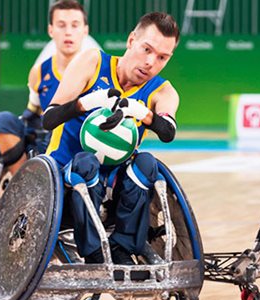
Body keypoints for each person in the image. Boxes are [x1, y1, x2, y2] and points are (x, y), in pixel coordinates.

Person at [42, 12, 180, 267]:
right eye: (146, 49)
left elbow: (168, 131)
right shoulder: (93, 62)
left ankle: (122, 247)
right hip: (64, 178)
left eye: (162, 57)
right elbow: (48, 118)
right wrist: (85, 103)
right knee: (86, 162)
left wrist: (143, 113)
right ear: (131, 41)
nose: (151, 62)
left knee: (147, 163)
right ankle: (94, 253)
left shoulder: (163, 91)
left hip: (113, 190)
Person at [0, 0, 89, 175]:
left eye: (75, 25)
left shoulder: (97, 71)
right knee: (3, 120)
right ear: (51, 30)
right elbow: (33, 114)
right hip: (46, 141)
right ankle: (23, 184)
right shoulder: (39, 72)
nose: (68, 32)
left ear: (85, 30)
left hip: (80, 146)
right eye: (61, 25)